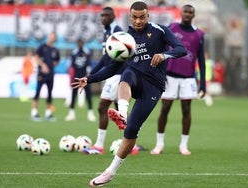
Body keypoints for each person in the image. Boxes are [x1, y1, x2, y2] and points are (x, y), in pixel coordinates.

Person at [72, 1, 187, 186]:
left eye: (142, 17)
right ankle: (122, 113)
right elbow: (112, 68)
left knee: (131, 132)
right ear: (129, 16)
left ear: (148, 16)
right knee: (125, 74)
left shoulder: (160, 30)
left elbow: (182, 49)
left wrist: (165, 55)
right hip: (134, 78)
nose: (138, 21)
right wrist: (89, 78)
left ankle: (110, 172)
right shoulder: (125, 38)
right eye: (134, 17)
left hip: (154, 86)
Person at [150, 4, 206, 156]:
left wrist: (203, 84)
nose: (187, 14)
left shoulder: (199, 34)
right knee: (165, 108)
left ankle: (183, 145)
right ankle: (159, 144)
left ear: (193, 15)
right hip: (169, 76)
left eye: (190, 12)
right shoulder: (172, 28)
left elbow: (200, 59)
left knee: (186, 110)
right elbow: (161, 47)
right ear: (181, 13)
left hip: (188, 78)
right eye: (185, 12)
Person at [89, 6, 124, 154]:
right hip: (113, 73)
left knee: (102, 107)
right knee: (121, 112)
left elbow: (117, 55)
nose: (103, 18)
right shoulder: (107, 32)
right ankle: (131, 145)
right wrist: (91, 74)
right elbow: (105, 57)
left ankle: (99, 145)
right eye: (102, 15)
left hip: (116, 74)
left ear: (113, 16)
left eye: (106, 15)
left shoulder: (116, 31)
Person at [31, 32, 60, 122]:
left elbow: (57, 61)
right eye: (51, 36)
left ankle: (48, 113)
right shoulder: (42, 47)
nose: (52, 38)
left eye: (54, 37)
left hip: (51, 74)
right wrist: (43, 65)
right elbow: (36, 58)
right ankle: (34, 112)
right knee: (38, 92)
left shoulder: (55, 50)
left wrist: (52, 65)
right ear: (48, 36)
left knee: (50, 93)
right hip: (41, 74)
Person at [64, 38, 96, 122]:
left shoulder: (86, 52)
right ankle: (71, 113)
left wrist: (88, 76)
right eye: (78, 43)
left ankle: (90, 113)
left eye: (81, 43)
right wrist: (72, 77)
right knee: (73, 94)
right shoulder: (74, 52)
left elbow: (89, 65)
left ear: (83, 43)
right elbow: (72, 66)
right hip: (76, 77)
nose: (80, 44)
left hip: (84, 77)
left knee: (88, 95)